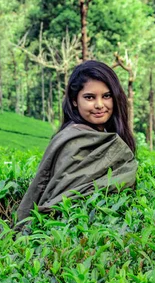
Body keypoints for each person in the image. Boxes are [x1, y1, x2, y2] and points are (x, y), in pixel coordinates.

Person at [15, 60, 138, 226]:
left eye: (106, 96)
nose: (99, 105)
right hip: (63, 232)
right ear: (74, 100)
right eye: (89, 97)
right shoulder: (71, 141)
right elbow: (59, 196)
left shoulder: (109, 138)